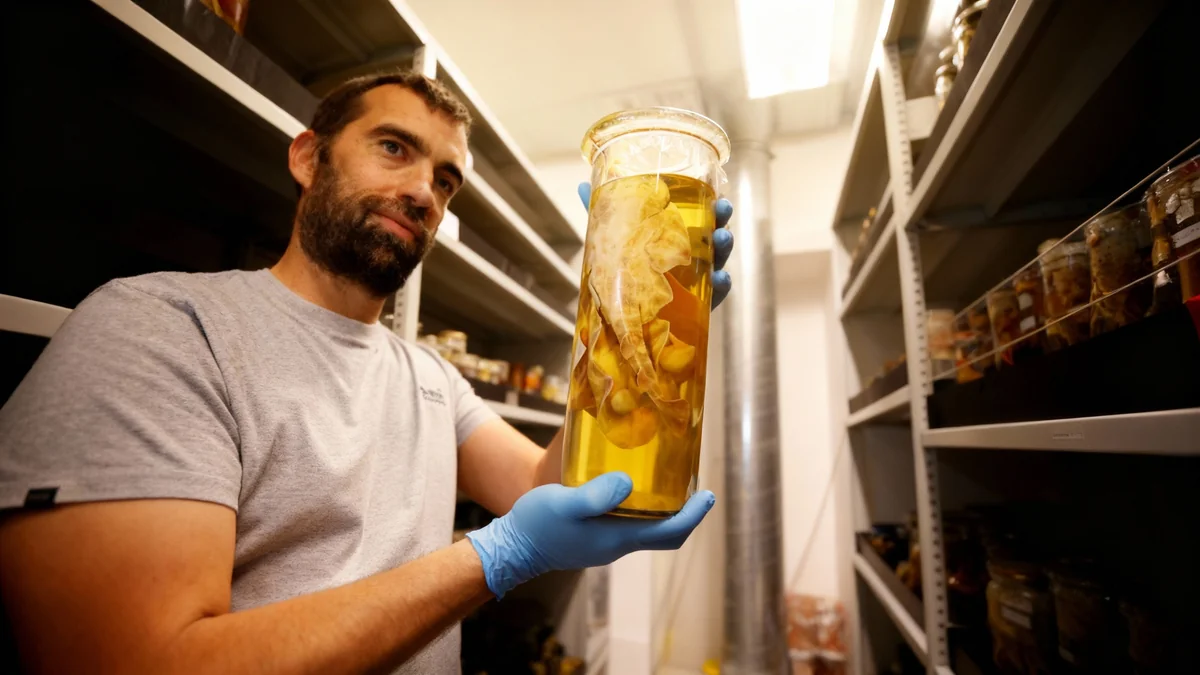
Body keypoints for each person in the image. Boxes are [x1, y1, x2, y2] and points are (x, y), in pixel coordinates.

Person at [0, 71, 735, 674]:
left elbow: (553, 484)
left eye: (446, 181)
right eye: (393, 148)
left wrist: (625, 335)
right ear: (306, 156)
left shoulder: (428, 376)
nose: (424, 193)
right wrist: (496, 555)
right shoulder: (162, 328)